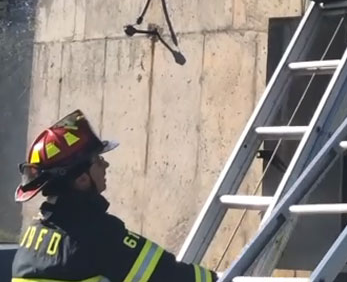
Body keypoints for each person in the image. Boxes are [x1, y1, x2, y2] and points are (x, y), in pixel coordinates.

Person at [12, 110, 218, 282]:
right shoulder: (96, 234)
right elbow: (168, 275)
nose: (105, 165)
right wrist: (217, 279)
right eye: (98, 160)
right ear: (82, 179)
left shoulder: (35, 232)